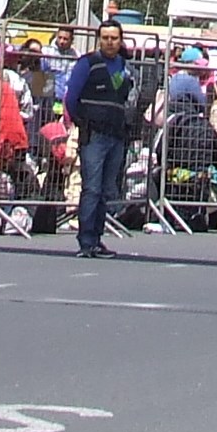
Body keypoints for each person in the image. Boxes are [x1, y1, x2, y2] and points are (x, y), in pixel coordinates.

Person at [62, 20, 143, 257]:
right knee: (92, 188)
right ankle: (86, 242)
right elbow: (71, 98)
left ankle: (96, 239)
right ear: (99, 39)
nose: (110, 42)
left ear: (120, 39)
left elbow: (129, 98)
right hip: (94, 135)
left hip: (116, 135)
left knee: (106, 189)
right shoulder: (87, 63)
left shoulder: (123, 66)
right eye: (105, 37)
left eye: (114, 38)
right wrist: (83, 123)